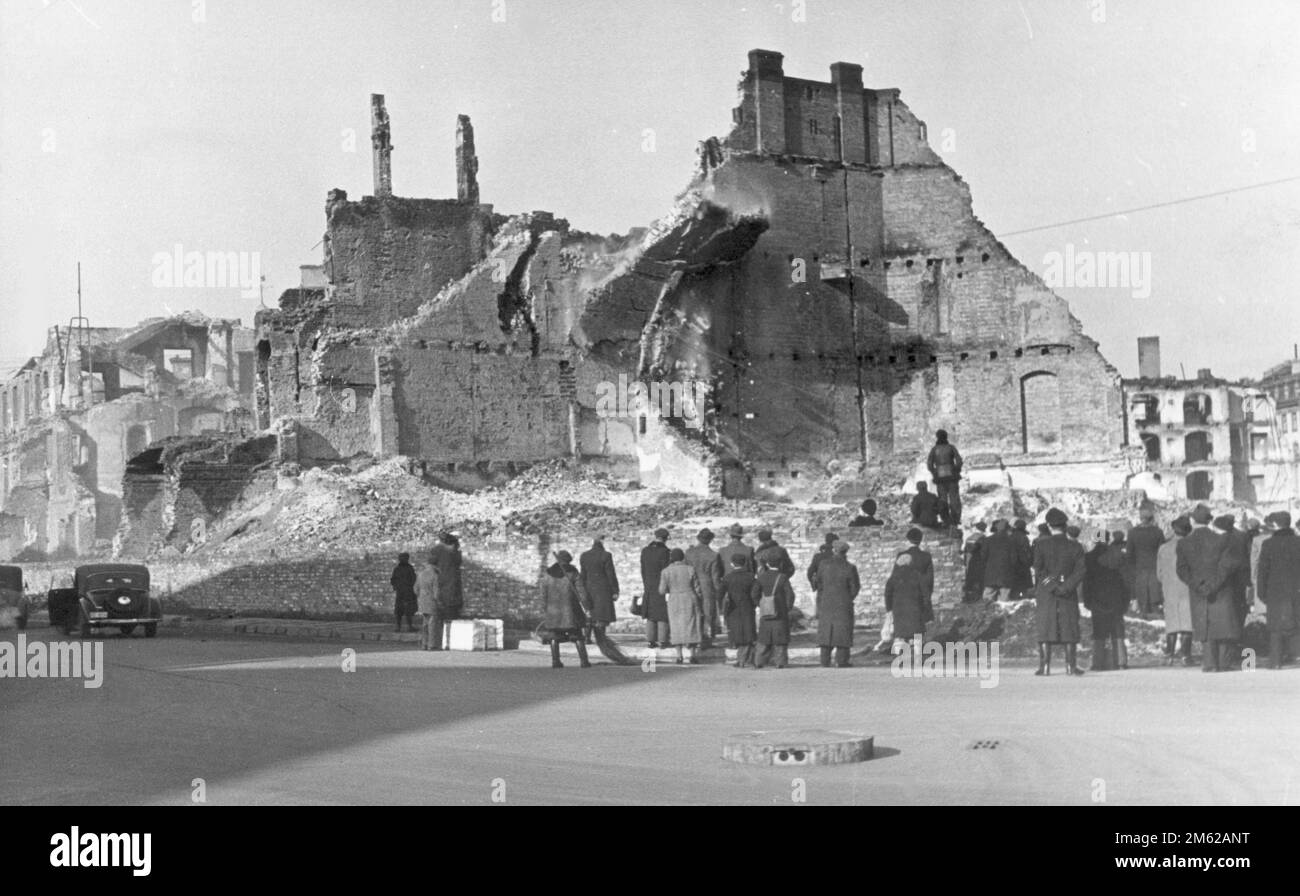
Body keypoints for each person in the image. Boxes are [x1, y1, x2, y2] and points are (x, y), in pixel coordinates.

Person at [1177, 505, 1242, 673]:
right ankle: (1223, 663)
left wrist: (1198, 585)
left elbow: (1181, 570)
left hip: (1198, 591)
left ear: (1192, 520)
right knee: (1222, 623)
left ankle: (1209, 663)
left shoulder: (1184, 543)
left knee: (1204, 625)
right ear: (1210, 520)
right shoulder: (1223, 540)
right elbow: (1227, 566)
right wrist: (1214, 584)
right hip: (1220, 589)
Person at [1031, 507, 1087, 676]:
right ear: (1065, 525)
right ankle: (1071, 666)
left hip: (1047, 592)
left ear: (1049, 526)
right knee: (1069, 627)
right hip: (1068, 592)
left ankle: (1045, 667)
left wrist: (1052, 586)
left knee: (1046, 626)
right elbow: (1081, 571)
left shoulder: (1041, 545)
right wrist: (1066, 586)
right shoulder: (1075, 546)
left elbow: (1038, 570)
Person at [1256, 511, 1299, 670]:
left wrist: (1261, 593)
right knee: (1297, 622)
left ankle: (1276, 661)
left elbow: (1262, 572)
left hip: (1275, 592)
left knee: (1275, 628)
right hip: (1297, 590)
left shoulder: (1268, 544)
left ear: (1274, 525)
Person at [539, 550, 592, 669]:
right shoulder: (573, 573)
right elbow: (582, 592)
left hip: (553, 611)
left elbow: (543, 594)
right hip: (570, 611)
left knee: (554, 636)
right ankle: (584, 661)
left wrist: (545, 609)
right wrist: (587, 607)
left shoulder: (548, 573)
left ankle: (555, 661)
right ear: (568, 560)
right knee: (577, 635)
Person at [1088, 531, 1131, 671]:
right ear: (1108, 539)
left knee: (1098, 630)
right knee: (1117, 629)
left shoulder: (1089, 557)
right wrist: (1126, 598)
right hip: (1116, 596)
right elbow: (1126, 578)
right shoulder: (1119, 555)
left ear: (1095, 539)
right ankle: (1121, 661)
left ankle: (1098, 661)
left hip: (1097, 597)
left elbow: (1086, 581)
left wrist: (1087, 599)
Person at [1156, 516, 1195, 665]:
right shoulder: (1191, 546)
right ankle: (1186, 655)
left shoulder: (1163, 548)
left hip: (1169, 588)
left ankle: (1169, 654)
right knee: (1187, 622)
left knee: (1172, 622)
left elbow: (1159, 574)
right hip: (1186, 587)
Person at [816, 541, 860, 668]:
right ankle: (842, 660)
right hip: (843, 603)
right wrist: (847, 597)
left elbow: (819, 582)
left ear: (834, 550)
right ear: (846, 552)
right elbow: (855, 588)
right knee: (843, 632)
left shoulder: (823, 564)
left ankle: (824, 660)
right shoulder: (849, 567)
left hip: (826, 602)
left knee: (826, 630)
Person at [659, 548, 704, 664]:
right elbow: (697, 588)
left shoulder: (666, 571)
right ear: (683, 557)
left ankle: (679, 656)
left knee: (676, 626)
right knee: (692, 625)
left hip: (674, 599)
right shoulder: (690, 569)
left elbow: (662, 590)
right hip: (689, 597)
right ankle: (693, 655)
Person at [753, 553, 796, 669]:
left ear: (767, 564)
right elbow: (790, 595)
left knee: (764, 637)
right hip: (780, 612)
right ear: (780, 564)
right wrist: (786, 608)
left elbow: (754, 594)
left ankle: (759, 661)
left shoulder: (761, 577)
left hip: (766, 612)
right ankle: (780, 662)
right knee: (780, 638)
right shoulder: (782, 577)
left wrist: (761, 604)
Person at [684, 528, 724, 648]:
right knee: (708, 612)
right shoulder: (713, 555)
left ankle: (692, 637)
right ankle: (705, 639)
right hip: (707, 585)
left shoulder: (689, 553)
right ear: (710, 540)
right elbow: (715, 576)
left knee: (692, 611)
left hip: (691, 584)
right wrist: (719, 591)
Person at [719, 554, 758, 668]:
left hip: (733, 608)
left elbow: (719, 593)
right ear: (745, 563)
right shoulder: (751, 577)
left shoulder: (727, 577)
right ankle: (746, 658)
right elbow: (755, 592)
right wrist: (755, 604)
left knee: (737, 633)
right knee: (748, 632)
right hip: (747, 606)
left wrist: (722, 607)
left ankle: (742, 659)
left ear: (732, 564)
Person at [579, 536, 619, 644]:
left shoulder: (584, 556)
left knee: (589, 612)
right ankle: (601, 638)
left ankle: (587, 637)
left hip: (589, 587)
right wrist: (615, 590)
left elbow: (583, 574)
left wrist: (581, 589)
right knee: (602, 614)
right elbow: (610, 574)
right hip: (603, 589)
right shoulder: (606, 555)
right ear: (602, 543)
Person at [1127, 505, 1165, 618]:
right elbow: (1162, 550)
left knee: (1141, 587)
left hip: (1139, 565)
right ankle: (1155, 608)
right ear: (1152, 518)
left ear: (1140, 518)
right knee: (1154, 587)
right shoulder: (1158, 532)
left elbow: (1129, 553)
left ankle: (1143, 609)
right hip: (1154, 564)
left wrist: (1132, 565)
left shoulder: (1132, 532)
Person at [885, 553, 928, 650]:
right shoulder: (918, 575)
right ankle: (918, 657)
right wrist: (924, 608)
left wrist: (889, 609)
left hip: (899, 610)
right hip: (915, 610)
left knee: (900, 636)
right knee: (917, 637)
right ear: (910, 563)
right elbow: (925, 594)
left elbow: (887, 595)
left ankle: (899, 658)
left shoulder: (893, 577)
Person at [640, 528, 672, 648]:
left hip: (648, 585)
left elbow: (642, 570)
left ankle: (650, 640)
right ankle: (663, 640)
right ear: (665, 538)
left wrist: (646, 583)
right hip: (661, 585)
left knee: (650, 614)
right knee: (662, 614)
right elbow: (666, 571)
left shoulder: (645, 551)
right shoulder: (665, 552)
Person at [926, 429, 963, 526]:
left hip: (940, 478)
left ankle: (945, 519)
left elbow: (929, 464)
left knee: (942, 499)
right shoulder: (951, 447)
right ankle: (955, 519)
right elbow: (958, 461)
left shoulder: (934, 449)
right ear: (946, 437)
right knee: (954, 498)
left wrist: (934, 472)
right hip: (952, 477)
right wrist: (956, 470)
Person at [902, 527, 935, 626]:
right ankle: (918, 641)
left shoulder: (902, 555)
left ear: (908, 540)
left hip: (906, 593)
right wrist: (928, 594)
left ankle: (908, 641)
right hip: (921, 592)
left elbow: (897, 577)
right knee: (919, 623)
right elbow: (930, 578)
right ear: (920, 541)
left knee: (907, 621)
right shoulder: (926, 556)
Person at [430, 531, 464, 620]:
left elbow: (431, 562)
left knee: (442, 600)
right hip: (452, 578)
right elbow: (458, 562)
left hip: (442, 577)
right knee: (451, 599)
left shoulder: (437, 549)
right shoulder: (454, 550)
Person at [982, 520, 1017, 601]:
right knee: (1004, 599)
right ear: (1006, 529)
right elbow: (1013, 558)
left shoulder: (988, 540)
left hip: (991, 572)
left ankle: (986, 612)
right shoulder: (1011, 541)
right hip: (1005, 573)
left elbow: (983, 556)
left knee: (988, 597)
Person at [416, 551, 442, 651]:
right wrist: (438, 602)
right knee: (433, 624)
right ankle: (432, 645)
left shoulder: (421, 574)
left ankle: (424, 644)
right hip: (431, 602)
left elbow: (415, 589)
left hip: (422, 601)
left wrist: (421, 596)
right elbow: (436, 591)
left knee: (425, 624)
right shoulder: (435, 575)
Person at [390, 552, 418, 633]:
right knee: (408, 609)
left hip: (400, 592)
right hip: (408, 592)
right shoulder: (409, 568)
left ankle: (398, 627)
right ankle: (409, 626)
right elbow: (413, 579)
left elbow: (393, 580)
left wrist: (396, 587)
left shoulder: (397, 569)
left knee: (399, 610)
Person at [962, 522, 988, 603]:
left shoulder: (969, 538)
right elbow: (984, 552)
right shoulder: (983, 538)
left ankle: (968, 596)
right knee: (979, 580)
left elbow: (965, 551)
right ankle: (978, 597)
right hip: (979, 561)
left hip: (969, 561)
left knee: (970, 579)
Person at [1010, 519, 1034, 599]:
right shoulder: (1024, 537)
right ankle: (1024, 602)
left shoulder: (1010, 536)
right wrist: (1028, 563)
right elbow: (1027, 552)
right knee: (1023, 587)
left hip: (1011, 565)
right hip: (1022, 565)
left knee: (1013, 586)